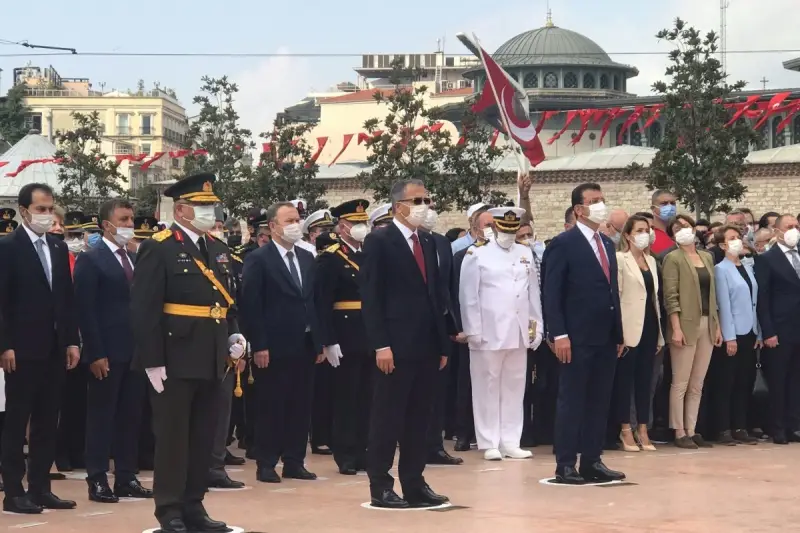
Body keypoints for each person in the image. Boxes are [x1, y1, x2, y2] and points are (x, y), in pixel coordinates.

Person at [131, 173, 245, 533]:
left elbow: (227, 303)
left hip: (213, 357)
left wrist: (236, 336)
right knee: (173, 439)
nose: (211, 211)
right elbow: (145, 308)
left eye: (211, 205)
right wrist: (152, 360)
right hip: (174, 357)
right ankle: (169, 510)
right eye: (203, 206)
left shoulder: (219, 249)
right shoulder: (160, 246)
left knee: (202, 437)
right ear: (181, 210)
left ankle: (195, 505)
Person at [362, 179, 450, 509]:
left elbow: (435, 297)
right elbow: (371, 297)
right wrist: (381, 345)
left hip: (426, 345)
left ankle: (414, 481)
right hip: (395, 347)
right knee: (388, 418)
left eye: (427, 199)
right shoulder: (379, 241)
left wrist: (442, 344)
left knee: (419, 419)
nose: (425, 206)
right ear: (399, 205)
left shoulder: (427, 242)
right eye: (418, 200)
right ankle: (381, 485)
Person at [0, 183, 80, 514]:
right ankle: (14, 491)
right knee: (17, 421)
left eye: (50, 210)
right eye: (41, 210)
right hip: (21, 348)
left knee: (48, 420)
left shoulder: (58, 248)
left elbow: (65, 299)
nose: (47, 216)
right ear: (23, 211)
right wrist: (5, 345)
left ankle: (40, 487)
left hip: (54, 347)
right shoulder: (8, 247)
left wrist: (72, 340)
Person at [543, 182, 625, 485]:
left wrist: (618, 334)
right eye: (594, 200)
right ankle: (565, 464)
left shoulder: (606, 243)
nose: (600, 205)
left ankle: (592, 460)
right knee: (572, 400)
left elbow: (611, 291)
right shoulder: (564, 244)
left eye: (602, 199)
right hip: (575, 336)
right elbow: (552, 293)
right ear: (579, 209)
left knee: (599, 400)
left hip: (604, 335)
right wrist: (559, 334)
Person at [75, 199, 153, 503]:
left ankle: (126, 476)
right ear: (106, 225)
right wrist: (95, 353)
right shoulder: (91, 260)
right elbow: (86, 310)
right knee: (101, 418)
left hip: (135, 353)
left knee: (130, 417)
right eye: (124, 219)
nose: (129, 225)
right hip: (106, 352)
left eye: (131, 219)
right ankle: (97, 479)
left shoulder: (135, 257)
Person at [241, 202, 322, 484]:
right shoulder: (259, 259)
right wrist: (259, 344)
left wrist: (320, 342)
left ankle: (294, 460)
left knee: (301, 405)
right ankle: (266, 462)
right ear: (273, 226)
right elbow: (251, 304)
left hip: (306, 343)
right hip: (273, 346)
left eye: (297, 219)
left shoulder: (307, 257)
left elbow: (313, 301)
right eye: (289, 220)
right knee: (271, 406)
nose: (295, 225)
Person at [460, 207, 543, 460]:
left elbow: (532, 293)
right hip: (488, 331)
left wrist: (536, 326)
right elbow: (468, 296)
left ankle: (510, 440)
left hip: (518, 331)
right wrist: (473, 329)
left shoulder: (524, 252)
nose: (509, 234)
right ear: (495, 228)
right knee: (487, 386)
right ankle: (488, 440)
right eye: (504, 230)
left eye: (513, 230)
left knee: (514, 386)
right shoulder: (477, 254)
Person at [316, 199, 372, 475]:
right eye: (356, 224)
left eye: (364, 222)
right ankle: (346, 454)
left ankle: (364, 451)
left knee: (368, 397)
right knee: (346, 397)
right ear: (342, 227)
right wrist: (328, 340)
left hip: (370, 333)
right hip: (345, 333)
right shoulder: (330, 258)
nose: (362, 228)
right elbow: (322, 302)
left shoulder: (370, 254)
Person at [662, 214, 722, 449]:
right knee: (681, 381)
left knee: (698, 382)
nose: (685, 230)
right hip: (685, 324)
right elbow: (671, 296)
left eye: (687, 226)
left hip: (707, 322)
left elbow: (713, 295)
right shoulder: (672, 258)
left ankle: (692, 428)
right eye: (679, 228)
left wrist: (716, 326)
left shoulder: (706, 257)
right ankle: (678, 430)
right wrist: (675, 328)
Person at [615, 215, 664, 452]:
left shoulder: (651, 261)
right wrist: (619, 334)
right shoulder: (620, 260)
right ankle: (625, 428)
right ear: (628, 235)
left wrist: (659, 335)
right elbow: (618, 296)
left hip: (650, 326)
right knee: (625, 382)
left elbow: (654, 297)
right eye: (640, 230)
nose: (645, 234)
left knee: (646, 381)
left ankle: (643, 427)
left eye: (648, 229)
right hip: (628, 328)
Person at [711, 225, 761, 445]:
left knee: (745, 380)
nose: (737, 241)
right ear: (723, 245)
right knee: (727, 381)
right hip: (733, 332)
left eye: (738, 237)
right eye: (732, 238)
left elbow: (754, 299)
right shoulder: (721, 269)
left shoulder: (747, 267)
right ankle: (723, 427)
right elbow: (724, 303)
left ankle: (741, 425)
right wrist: (729, 336)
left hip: (750, 330)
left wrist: (758, 331)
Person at [450, 209, 495, 452]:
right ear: (475, 229)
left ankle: (493, 432)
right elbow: (456, 295)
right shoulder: (462, 256)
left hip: (499, 329)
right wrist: (460, 327)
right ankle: (463, 433)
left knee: (496, 383)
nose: (491, 229)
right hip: (472, 331)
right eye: (487, 224)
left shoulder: (505, 255)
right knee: (467, 383)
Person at [754, 214, 800, 445]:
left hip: (798, 328)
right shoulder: (768, 259)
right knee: (778, 381)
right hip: (779, 330)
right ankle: (777, 427)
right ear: (778, 231)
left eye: (796, 227)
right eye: (789, 227)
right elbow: (763, 297)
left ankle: (794, 424)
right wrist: (768, 331)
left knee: (795, 381)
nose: (793, 230)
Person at [649, 190, 677, 255]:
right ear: (653, 209)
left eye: (672, 203)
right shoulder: (648, 234)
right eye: (664, 204)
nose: (670, 207)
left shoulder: (681, 232)